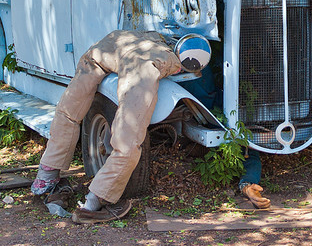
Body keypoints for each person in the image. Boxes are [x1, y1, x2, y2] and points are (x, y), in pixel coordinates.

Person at [30, 29, 183, 224]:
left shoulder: (140, 33)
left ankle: (46, 177)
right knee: (128, 135)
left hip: (112, 44)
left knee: (69, 109)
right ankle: (92, 204)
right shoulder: (164, 51)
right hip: (144, 60)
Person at [183, 64, 271, 209]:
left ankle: (248, 188)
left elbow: (249, 151)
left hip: (225, 112)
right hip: (208, 101)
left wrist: (248, 185)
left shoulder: (245, 123)